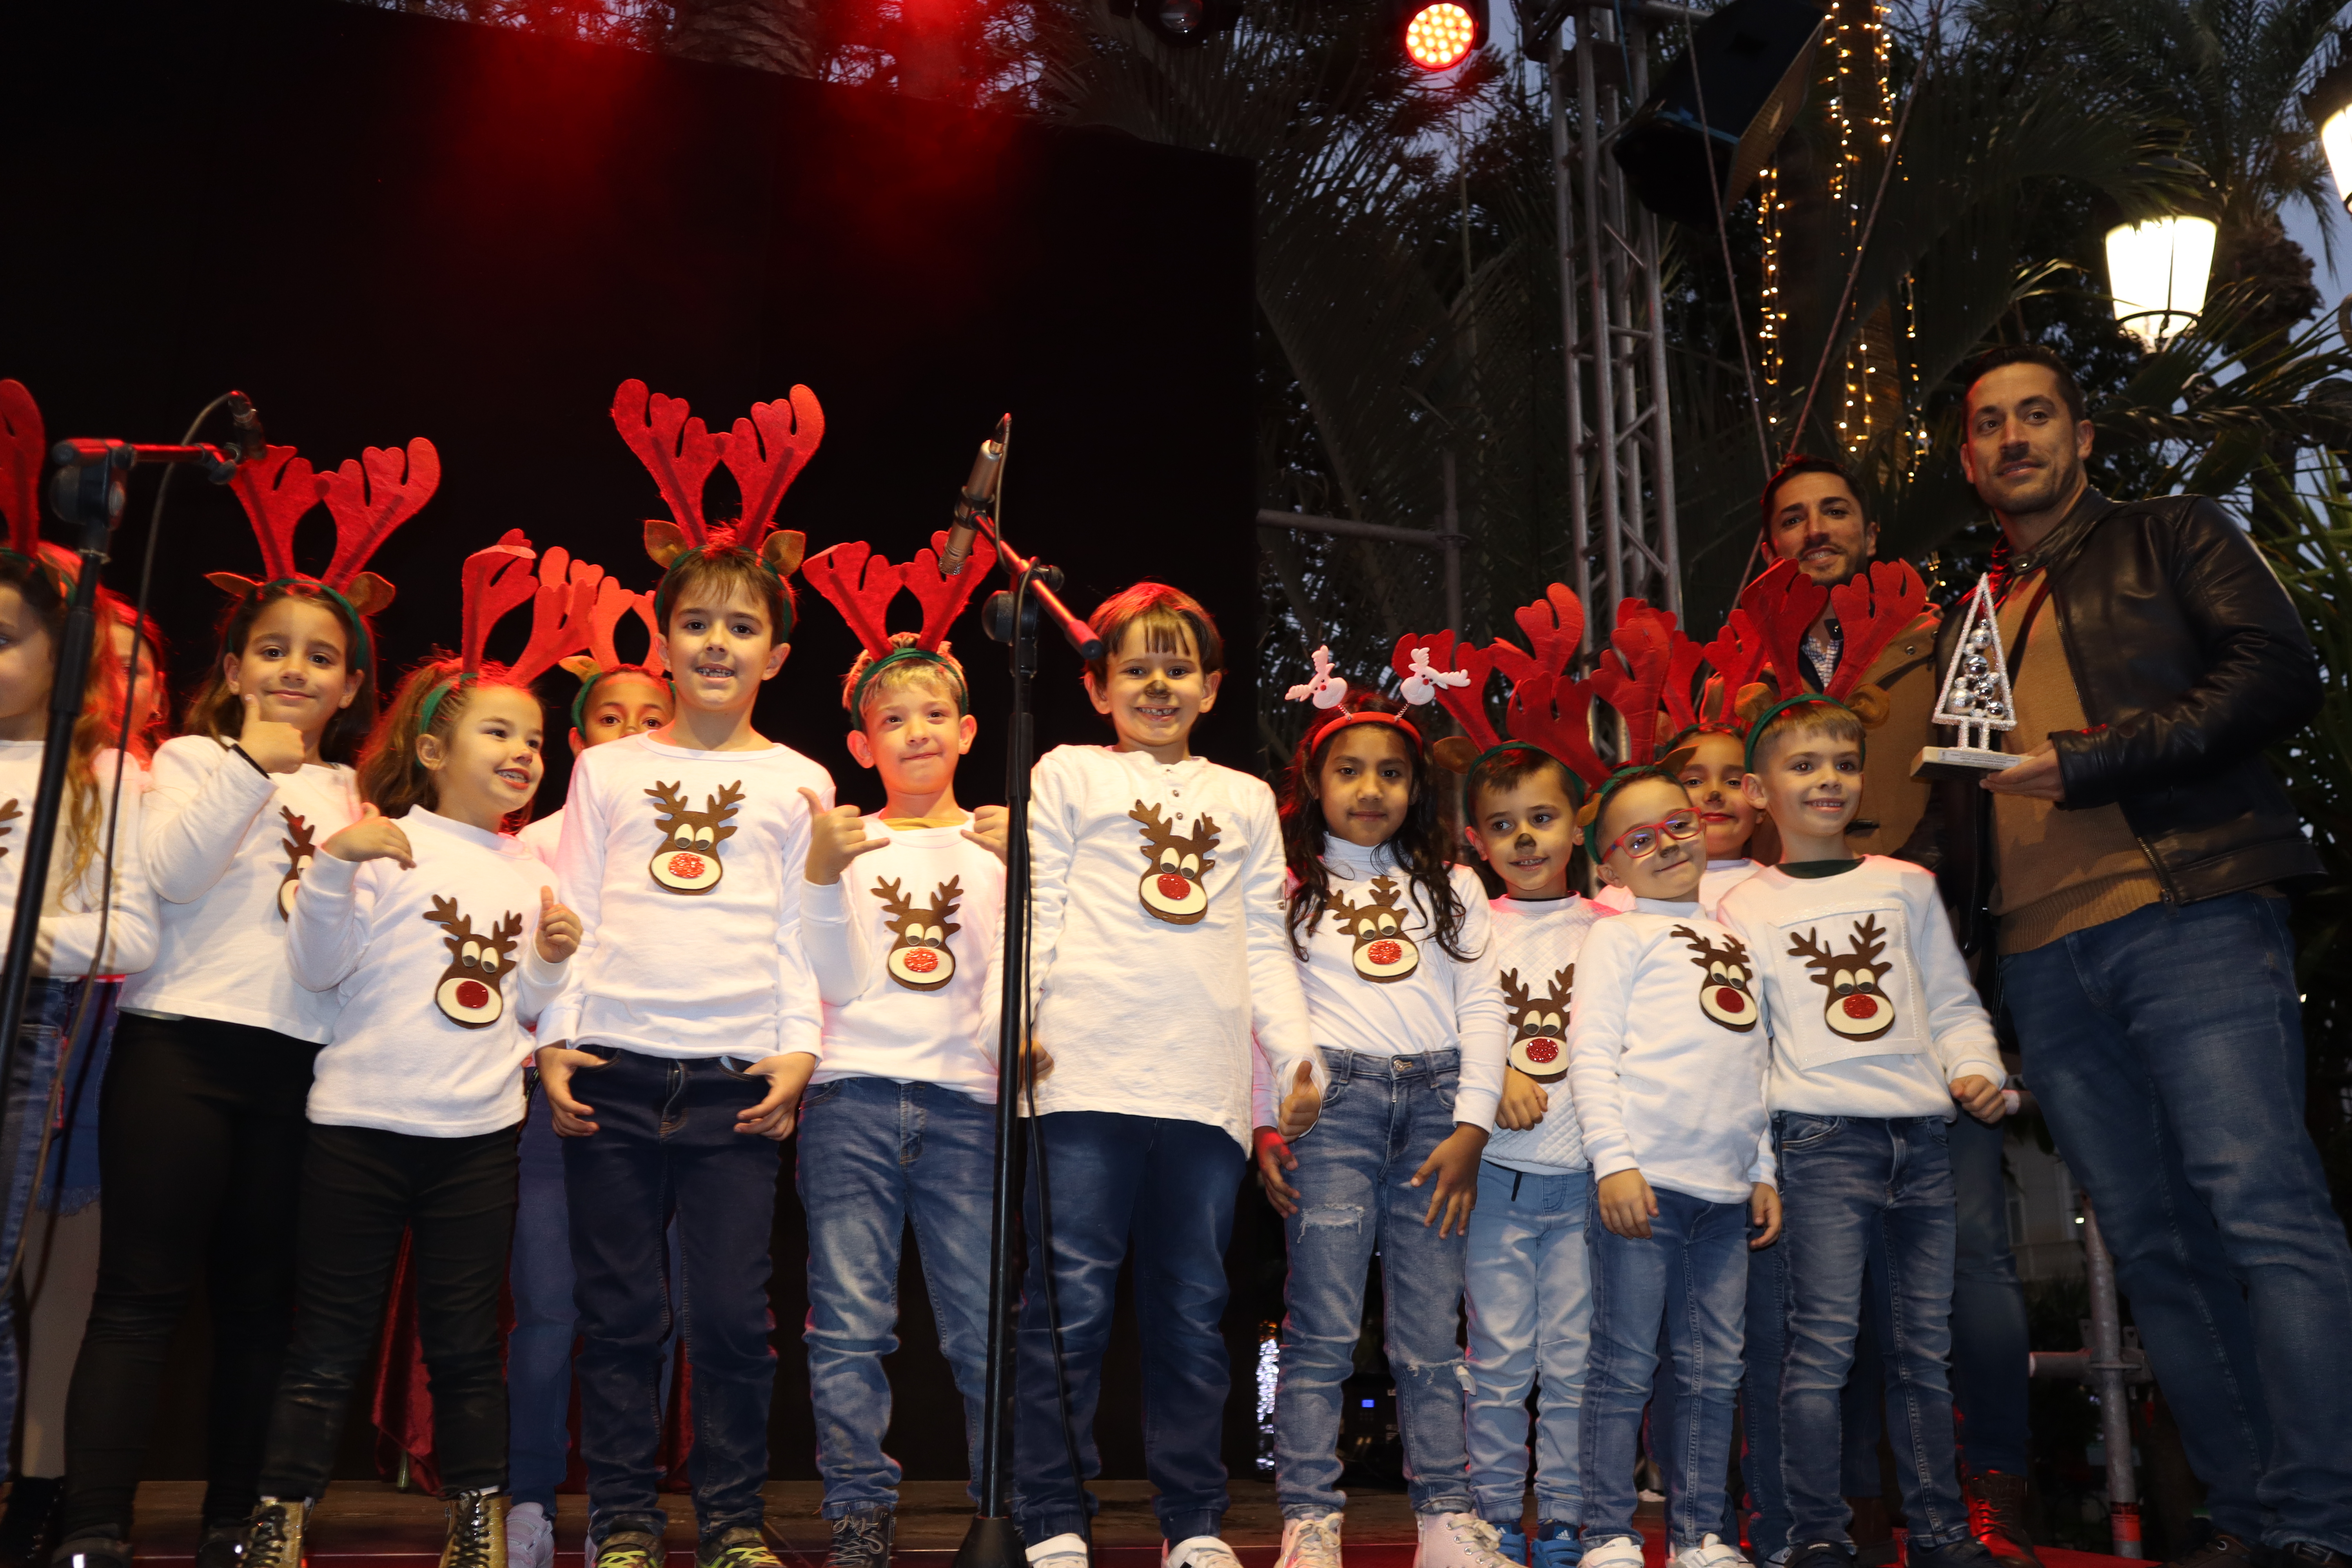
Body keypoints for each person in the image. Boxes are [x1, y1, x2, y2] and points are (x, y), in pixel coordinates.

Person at [1906, 343, 2349, 1568]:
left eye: (2035, 415)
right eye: (1988, 423)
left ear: (2083, 435)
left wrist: (2095, 758)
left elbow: (2278, 670)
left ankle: (2321, 1519)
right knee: (2153, 1245)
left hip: (2188, 908)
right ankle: (2252, 1518)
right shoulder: (1972, 617)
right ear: (1968, 459)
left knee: (2263, 1211)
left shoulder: (2170, 532)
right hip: (2042, 966)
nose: (2013, 438)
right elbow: (1957, 809)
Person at [56, 571, 385, 1568]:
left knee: (260, 1305)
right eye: (273, 649)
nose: (295, 669)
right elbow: (172, 873)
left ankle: (235, 1523)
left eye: (321, 657)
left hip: (300, 1065)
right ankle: (94, 1524)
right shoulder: (192, 759)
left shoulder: (356, 792)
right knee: (139, 1293)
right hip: (180, 1046)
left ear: (350, 688)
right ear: (234, 669)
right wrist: (250, 763)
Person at [241, 654, 580, 1568]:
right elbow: (317, 968)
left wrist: (549, 960)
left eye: (535, 739)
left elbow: (522, 1009)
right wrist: (331, 866)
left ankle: (475, 1527)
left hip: (476, 1139)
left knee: (467, 1345)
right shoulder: (382, 843)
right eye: (498, 732)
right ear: (432, 749)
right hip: (357, 1128)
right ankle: (279, 1520)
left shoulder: (531, 867)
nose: (524, 752)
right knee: (327, 1340)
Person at [534, 528, 826, 1568]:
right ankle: (622, 1521)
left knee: (733, 1320)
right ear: (662, 642)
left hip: (736, 1083)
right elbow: (573, 907)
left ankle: (733, 1522)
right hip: (613, 1072)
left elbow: (800, 931)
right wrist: (557, 1035)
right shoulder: (608, 769)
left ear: (775, 656)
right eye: (696, 623)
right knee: (620, 1316)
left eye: (741, 627)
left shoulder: (800, 779)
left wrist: (801, 1050)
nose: (715, 643)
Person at [1013, 583, 1314, 1568]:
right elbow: (1039, 900)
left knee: (1190, 1312)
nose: (1157, 685)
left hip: (1201, 1087)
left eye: (1177, 667)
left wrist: (1294, 1059)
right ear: (1097, 687)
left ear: (1211, 687)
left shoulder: (1243, 798)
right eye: (1136, 667)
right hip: (1082, 1076)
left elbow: (1263, 939)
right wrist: (1016, 1019)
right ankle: (1052, 1512)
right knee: (1069, 1305)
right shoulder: (1069, 771)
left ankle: (1193, 1520)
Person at [1717, 690, 2005, 1568]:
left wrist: (1977, 1067)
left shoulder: (1905, 885)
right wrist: (1760, 1163)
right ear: (1759, 792)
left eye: (1844, 763)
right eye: (1803, 765)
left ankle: (1943, 1534)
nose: (1829, 780)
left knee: (1923, 1354)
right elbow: (1745, 1051)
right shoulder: (1742, 908)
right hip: (1816, 1143)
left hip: (1921, 1141)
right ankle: (1817, 1534)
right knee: (1820, 1353)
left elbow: (1951, 1001)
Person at [1251, 680, 1507, 1568]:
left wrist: (1473, 1128)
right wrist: (1266, 1123)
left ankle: (1444, 1516)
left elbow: (1485, 1009)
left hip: (1438, 1111)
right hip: (1333, 1111)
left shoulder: (1456, 886)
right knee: (1321, 1326)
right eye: (1349, 771)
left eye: (1391, 773)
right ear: (1313, 783)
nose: (1371, 789)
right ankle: (1310, 1517)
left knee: (1431, 1332)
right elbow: (1262, 1004)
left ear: (1416, 787)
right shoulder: (1287, 886)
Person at [792, 534, 1007, 1568]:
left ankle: (1005, 1508)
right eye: (892, 720)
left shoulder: (1003, 842)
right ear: (861, 742)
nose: (915, 731)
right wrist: (821, 877)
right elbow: (829, 979)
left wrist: (1030, 869)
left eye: (933, 715)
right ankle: (858, 1513)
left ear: (967, 730)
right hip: (851, 1096)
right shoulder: (845, 841)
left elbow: (1027, 977)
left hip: (969, 1102)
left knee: (981, 1325)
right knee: (847, 1325)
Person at [1566, 766, 1778, 1568]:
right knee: (1624, 1364)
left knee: (1714, 1372)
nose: (1666, 845)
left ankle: (1700, 1534)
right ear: (1611, 866)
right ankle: (1607, 1531)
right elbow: (1591, 1054)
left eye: (1678, 825)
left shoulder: (1738, 939)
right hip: (1645, 1186)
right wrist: (1614, 1163)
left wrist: (1764, 1168)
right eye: (1640, 839)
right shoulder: (1617, 936)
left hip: (1725, 1196)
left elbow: (1756, 1063)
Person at [1, 601, 165, 1568]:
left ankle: (43, 1482)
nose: (120, 678)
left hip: (96, 1037)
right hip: (52, 1019)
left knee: (66, 1271)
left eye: (138, 664)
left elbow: (136, 931)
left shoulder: (139, 782)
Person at [504, 652, 672, 1568]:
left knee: (650, 1309)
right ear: (578, 741)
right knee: (549, 1308)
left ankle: (625, 1507)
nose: (635, 732)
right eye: (614, 717)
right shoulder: (532, 845)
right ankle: (529, 1498)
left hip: (666, 1093)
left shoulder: (690, 838)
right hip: (559, 1091)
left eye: (653, 715)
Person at [1457, 745, 1612, 1568]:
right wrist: (1492, 1078)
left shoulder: (1615, 927)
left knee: (1576, 1363)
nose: (1524, 839)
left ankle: (1563, 1518)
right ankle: (1490, 1517)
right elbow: (1437, 1025)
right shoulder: (1469, 926)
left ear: (1578, 827)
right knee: (1498, 1361)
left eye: (1542, 819)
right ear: (1476, 841)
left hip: (1589, 1181)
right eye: (1503, 825)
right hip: (1496, 1182)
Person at [1755, 458, 1941, 858]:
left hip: (1924, 887)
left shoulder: (1940, 648)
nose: (1815, 531)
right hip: (1788, 894)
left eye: (1835, 512)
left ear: (1871, 537)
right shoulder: (1739, 683)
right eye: (1793, 520)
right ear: (1770, 552)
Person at [1596, 730, 1759, 917]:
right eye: (1694, 782)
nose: (1714, 794)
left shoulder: (1774, 887)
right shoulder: (1618, 898)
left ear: (1761, 799)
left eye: (1734, 783)